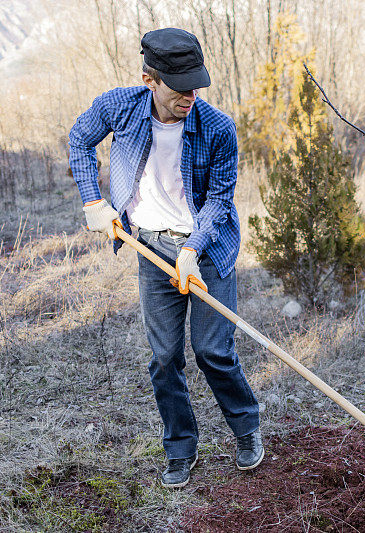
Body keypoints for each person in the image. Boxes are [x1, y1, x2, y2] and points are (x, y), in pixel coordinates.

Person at [69, 27, 263, 488]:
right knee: (164, 357)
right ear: (149, 80)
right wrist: (93, 202)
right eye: (179, 89)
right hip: (151, 245)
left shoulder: (217, 127)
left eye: (196, 85)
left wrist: (194, 249)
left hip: (208, 249)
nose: (189, 96)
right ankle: (180, 448)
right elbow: (79, 141)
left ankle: (247, 430)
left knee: (213, 350)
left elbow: (220, 198)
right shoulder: (120, 106)